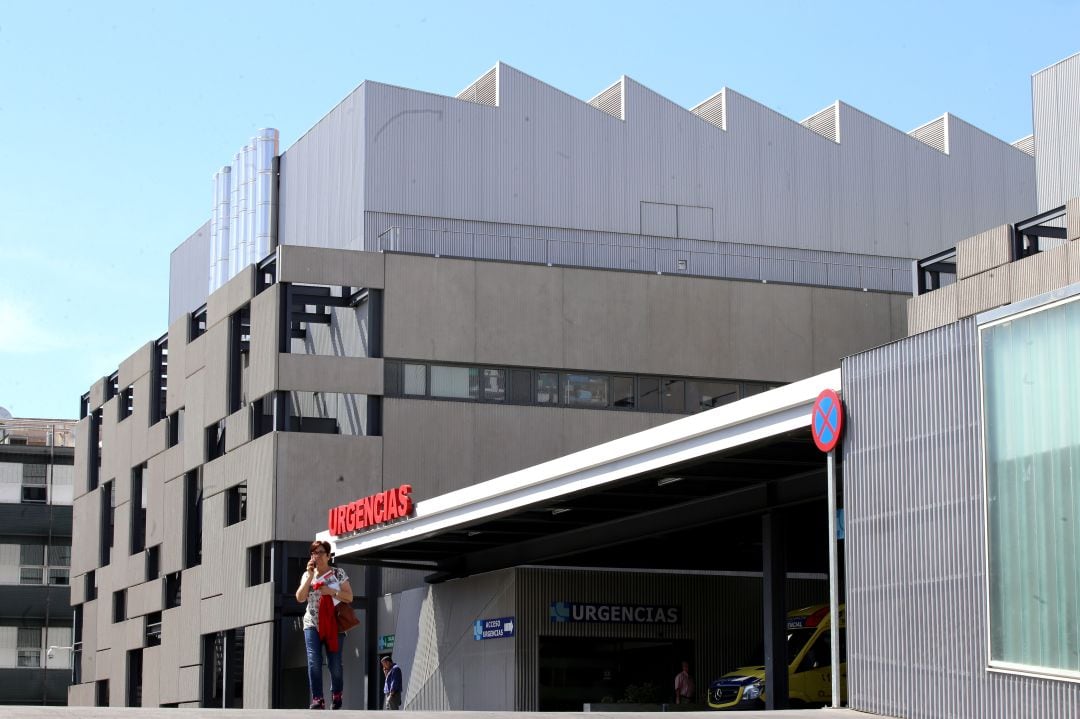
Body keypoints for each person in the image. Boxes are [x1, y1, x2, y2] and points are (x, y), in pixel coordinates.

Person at [296, 540, 353, 710]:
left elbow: (349, 597)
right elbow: (300, 597)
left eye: (321, 552)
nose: (317, 556)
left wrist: (332, 591)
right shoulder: (308, 574)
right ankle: (318, 699)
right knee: (314, 661)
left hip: (334, 623)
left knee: (334, 663)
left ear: (328, 555)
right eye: (314, 553)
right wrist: (310, 576)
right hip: (312, 623)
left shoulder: (338, 573)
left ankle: (336, 693)